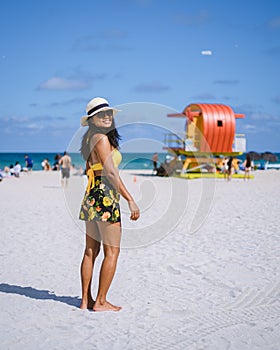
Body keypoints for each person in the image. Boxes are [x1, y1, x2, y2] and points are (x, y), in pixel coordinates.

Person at [79, 97, 140, 312]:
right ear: (92, 119)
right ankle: (101, 302)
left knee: (90, 251)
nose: (106, 116)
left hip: (91, 196)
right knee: (112, 252)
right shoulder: (102, 139)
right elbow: (111, 172)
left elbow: (90, 170)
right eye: (100, 114)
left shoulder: (89, 140)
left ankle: (86, 300)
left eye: (108, 113)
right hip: (106, 197)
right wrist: (130, 198)